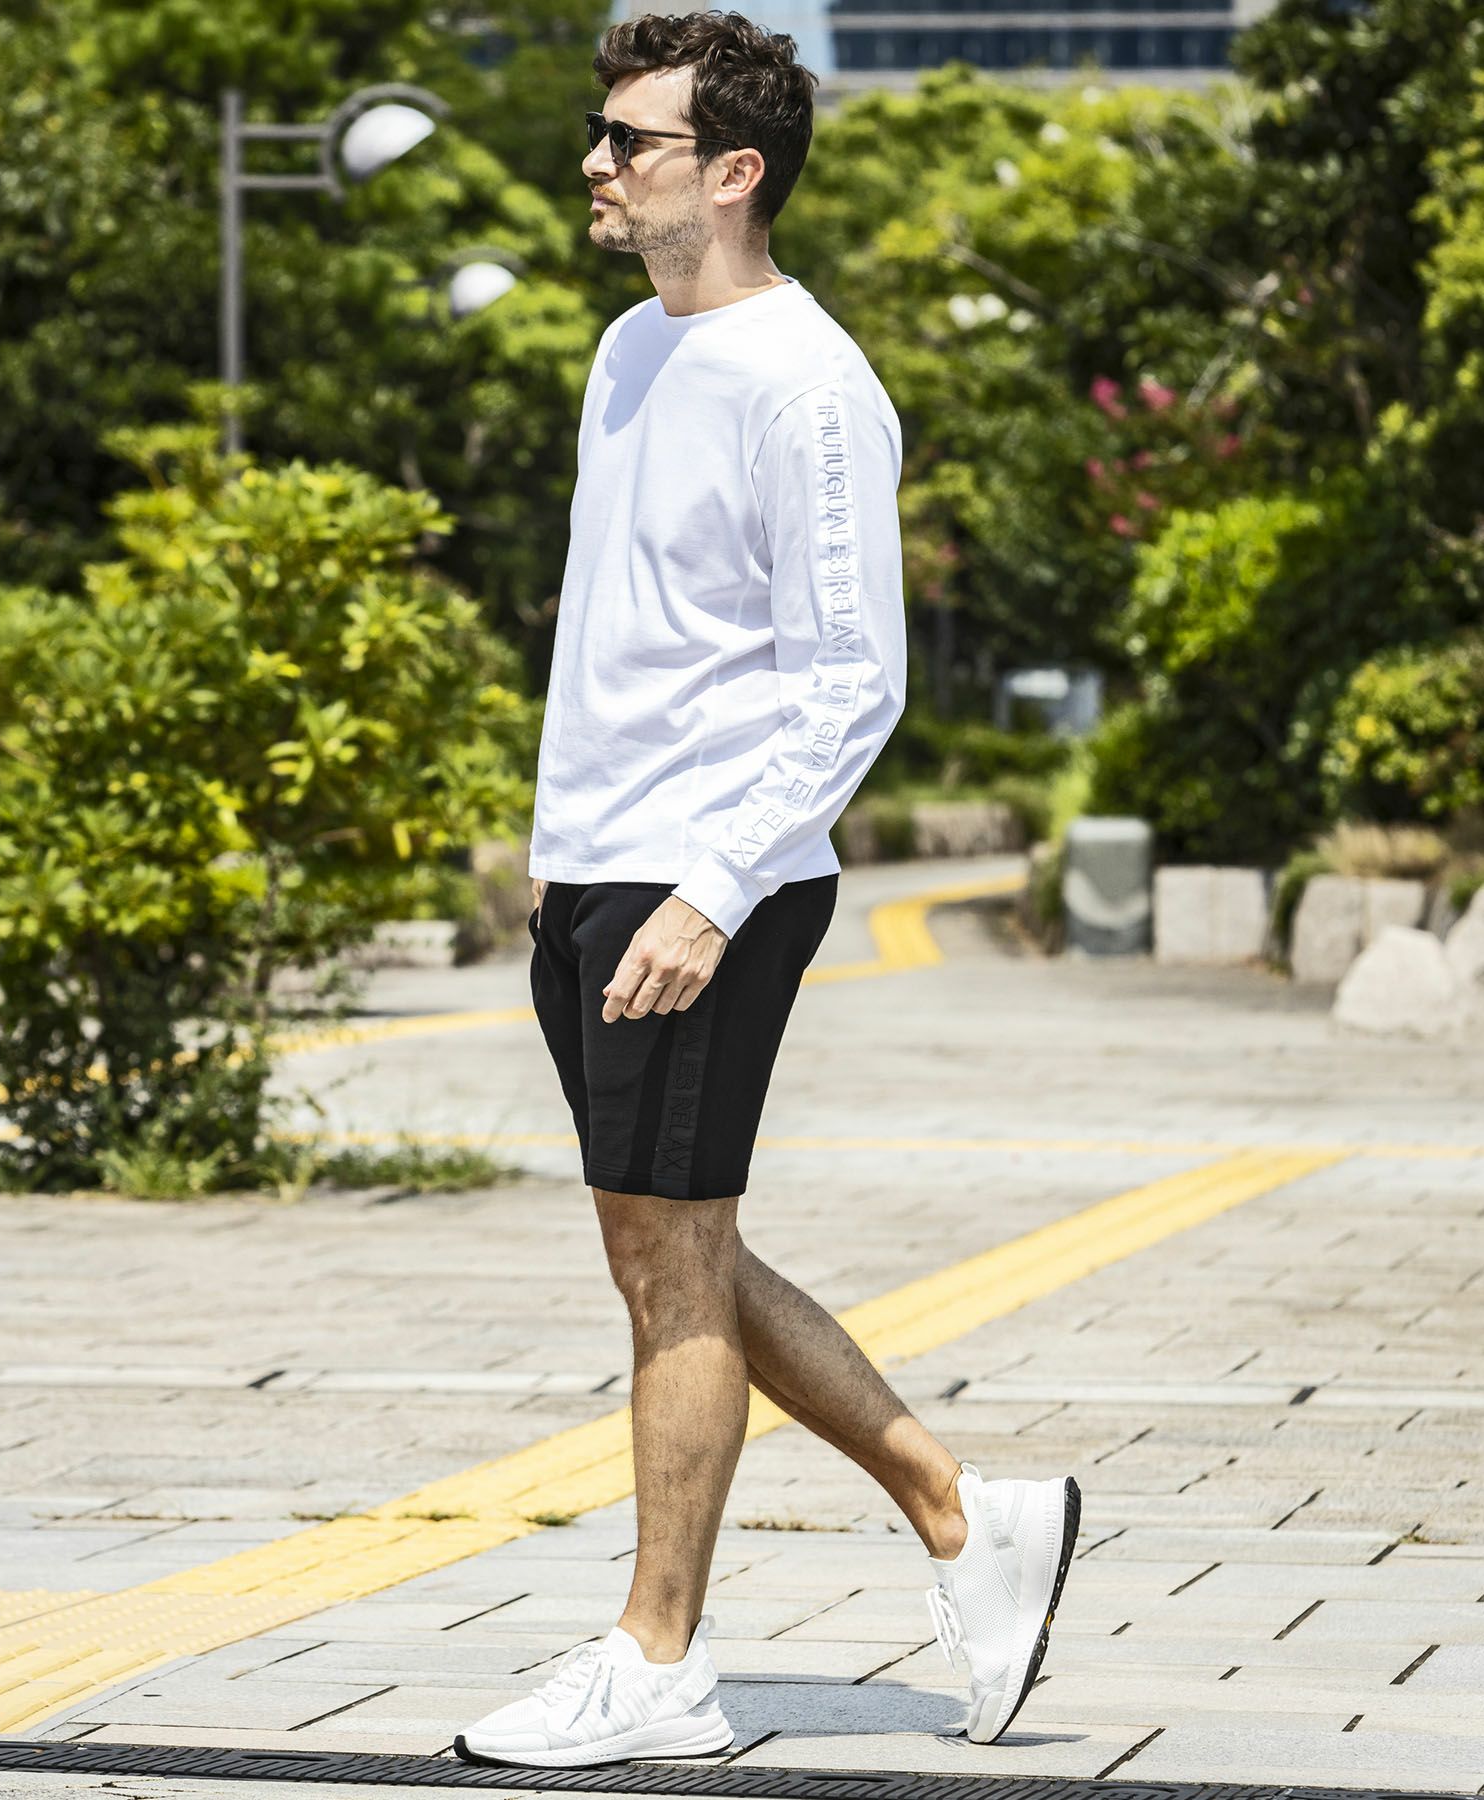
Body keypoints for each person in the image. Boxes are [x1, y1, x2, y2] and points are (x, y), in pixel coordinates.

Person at [454, 8, 1079, 1771]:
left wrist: (710, 891)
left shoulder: (811, 385)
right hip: (601, 868)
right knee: (673, 1251)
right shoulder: (626, 348)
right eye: (601, 132)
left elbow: (851, 680)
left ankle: (661, 1661)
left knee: (671, 1268)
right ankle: (967, 1513)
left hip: (704, 881)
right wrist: (560, 856)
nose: (595, 161)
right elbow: (622, 633)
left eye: (631, 140)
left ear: (732, 172)